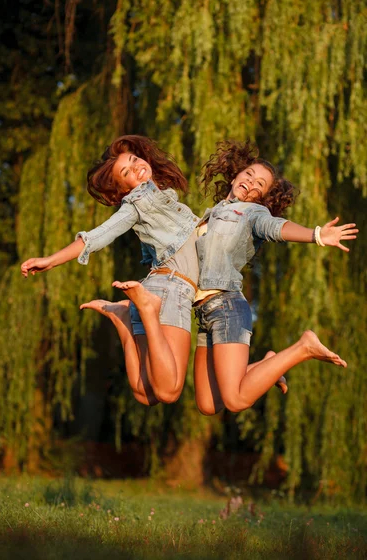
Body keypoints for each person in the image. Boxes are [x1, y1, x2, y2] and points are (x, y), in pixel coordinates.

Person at [21, 135, 200, 406]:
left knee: (145, 393)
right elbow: (98, 235)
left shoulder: (161, 199)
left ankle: (123, 318)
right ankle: (143, 312)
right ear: (124, 190)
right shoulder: (139, 201)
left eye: (134, 160)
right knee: (168, 391)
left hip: (155, 289)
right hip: (170, 290)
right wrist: (51, 260)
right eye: (126, 172)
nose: (136, 167)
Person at [193, 140, 358, 415]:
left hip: (227, 308)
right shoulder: (210, 215)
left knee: (235, 400)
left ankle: (303, 347)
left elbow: (274, 227)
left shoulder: (251, 213)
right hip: (204, 313)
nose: (251, 182)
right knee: (209, 404)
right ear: (235, 176)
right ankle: (269, 363)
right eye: (249, 174)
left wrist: (316, 235)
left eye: (260, 184)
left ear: (261, 199)